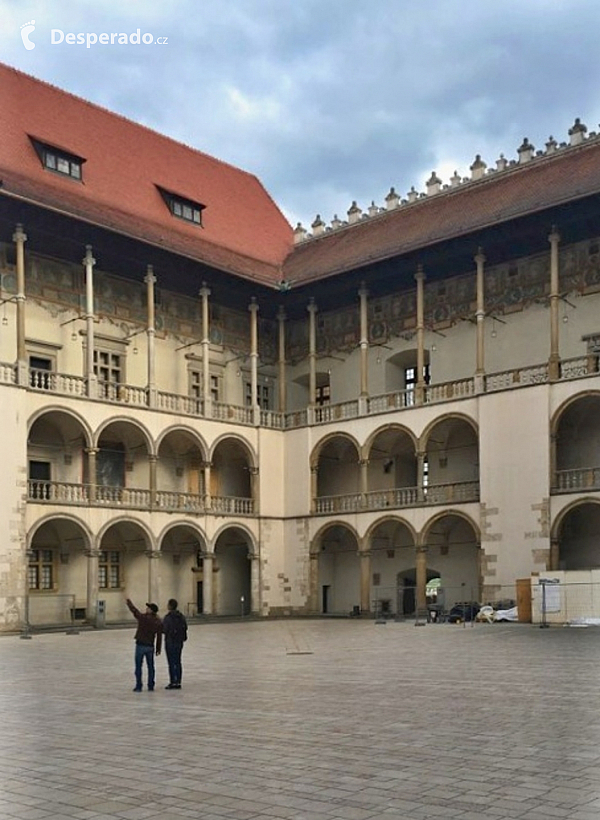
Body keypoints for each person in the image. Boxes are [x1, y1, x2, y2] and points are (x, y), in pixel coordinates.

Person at [125, 598, 162, 692]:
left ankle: (139, 685)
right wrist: (158, 648)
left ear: (151, 610)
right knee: (151, 667)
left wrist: (129, 603)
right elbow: (159, 635)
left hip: (141, 645)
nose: (146, 609)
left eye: (148, 608)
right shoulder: (157, 621)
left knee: (138, 666)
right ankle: (151, 685)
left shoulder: (143, 618)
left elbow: (135, 611)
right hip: (150, 646)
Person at [161, 598, 188, 689]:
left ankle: (173, 681)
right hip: (179, 641)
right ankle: (178, 681)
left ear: (169, 606)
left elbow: (164, 629)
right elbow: (185, 627)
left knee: (171, 662)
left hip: (170, 642)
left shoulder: (168, 617)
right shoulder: (181, 616)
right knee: (178, 661)